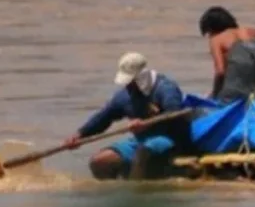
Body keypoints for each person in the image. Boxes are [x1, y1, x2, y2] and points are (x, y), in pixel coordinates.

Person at [64, 52, 194, 180]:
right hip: (141, 140)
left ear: (141, 77)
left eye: (131, 82)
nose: (128, 86)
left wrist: (146, 124)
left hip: (170, 138)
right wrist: (80, 134)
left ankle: (136, 193)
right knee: (98, 161)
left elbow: (174, 115)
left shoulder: (166, 88)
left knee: (142, 153)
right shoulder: (124, 96)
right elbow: (103, 118)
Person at [199, 6, 255, 99]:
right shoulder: (251, 32)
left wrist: (214, 94)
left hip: (237, 86)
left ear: (211, 28)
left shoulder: (216, 40)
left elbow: (220, 71)